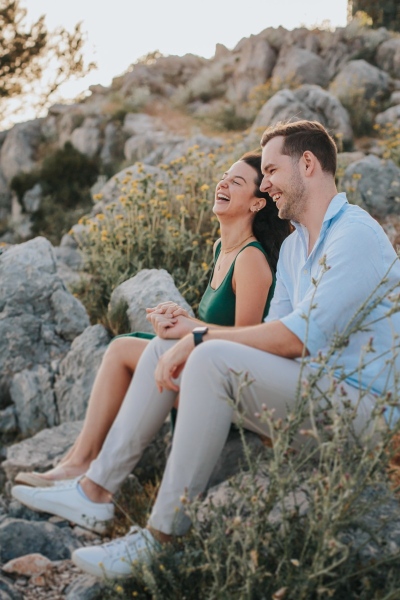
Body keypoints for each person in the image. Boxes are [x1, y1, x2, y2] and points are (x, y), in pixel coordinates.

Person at [13, 120, 400, 580]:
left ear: (309, 164)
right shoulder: (297, 247)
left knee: (209, 356)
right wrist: (185, 338)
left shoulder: (353, 233)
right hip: (312, 397)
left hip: (366, 413)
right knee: (162, 349)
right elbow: (274, 333)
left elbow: (297, 338)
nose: (268, 181)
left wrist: (200, 338)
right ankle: (94, 492)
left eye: (272, 170)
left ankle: (160, 540)